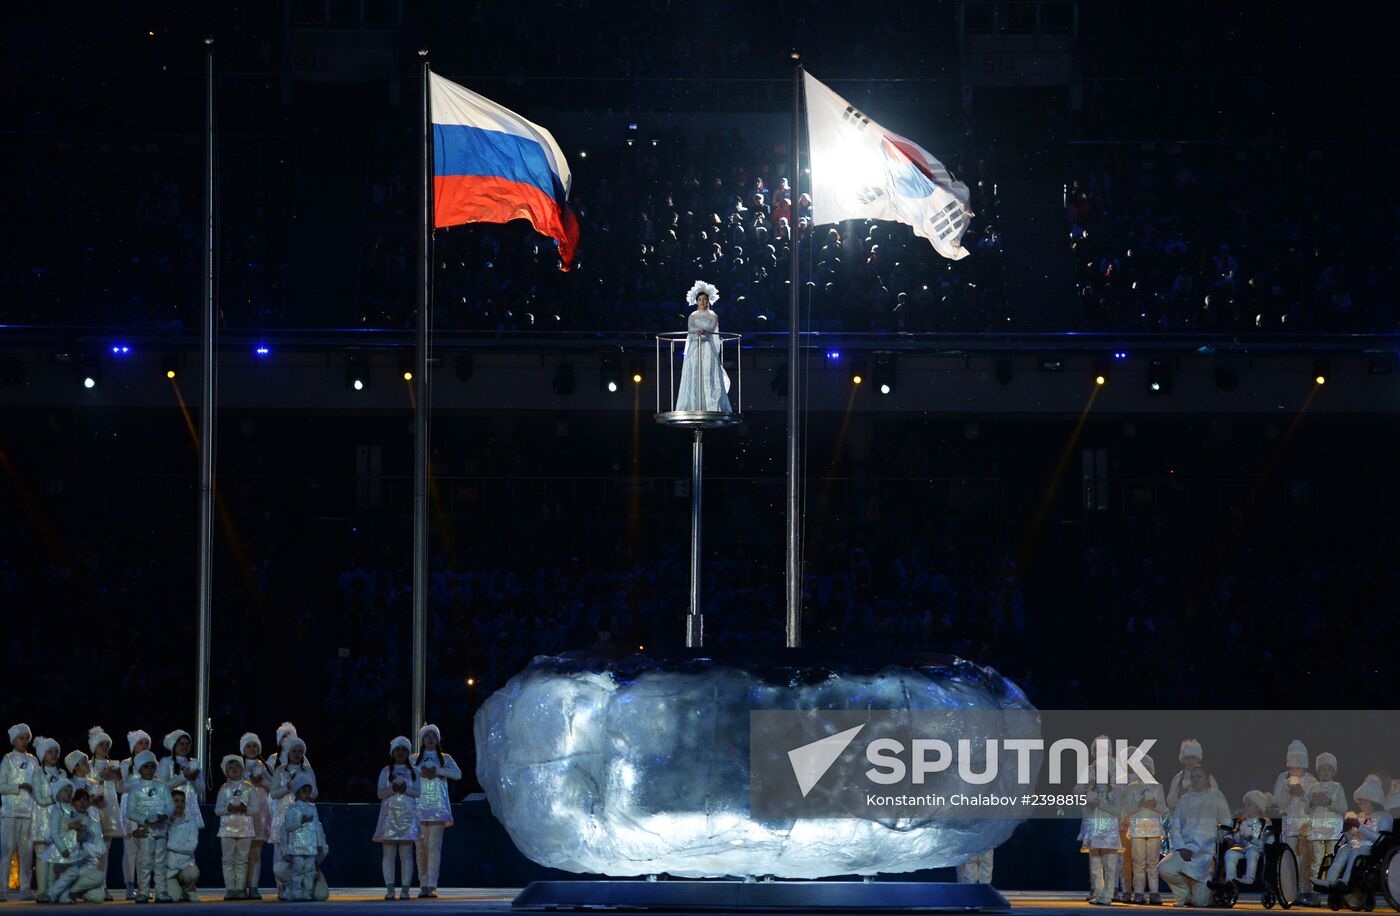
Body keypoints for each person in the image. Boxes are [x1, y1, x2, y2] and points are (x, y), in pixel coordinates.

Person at [1159, 765, 1232, 907]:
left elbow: (1226, 821)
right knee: (1164, 868)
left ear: (1207, 778)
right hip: (1187, 849)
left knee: (1200, 903)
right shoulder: (1185, 799)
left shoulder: (1216, 796)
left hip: (1207, 852)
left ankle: (1199, 892)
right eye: (1193, 777)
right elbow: (1175, 827)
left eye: (1199, 776)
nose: (1195, 779)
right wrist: (1180, 848)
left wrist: (1227, 838)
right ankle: (1183, 894)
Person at [1317, 776, 1394, 890]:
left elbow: (1381, 839)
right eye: (1360, 804)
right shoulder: (1361, 816)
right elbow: (1352, 839)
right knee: (1343, 850)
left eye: (1365, 803)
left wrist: (1360, 827)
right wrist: (1347, 830)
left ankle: (1346, 880)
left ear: (1374, 802)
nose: (1362, 806)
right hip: (1356, 845)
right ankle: (1330, 880)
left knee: (1355, 853)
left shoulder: (1384, 817)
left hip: (1371, 848)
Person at [412, 723, 461, 898]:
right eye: (427, 736)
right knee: (420, 848)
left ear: (438, 739)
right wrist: (421, 771)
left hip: (438, 807)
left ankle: (432, 884)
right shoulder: (414, 758)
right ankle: (423, 883)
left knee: (434, 847)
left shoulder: (445, 758)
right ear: (423, 739)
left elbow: (458, 774)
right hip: (418, 807)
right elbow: (406, 772)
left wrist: (438, 771)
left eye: (433, 736)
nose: (430, 739)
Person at [125, 748, 175, 904]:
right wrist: (144, 819)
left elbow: (170, 806)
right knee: (145, 862)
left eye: (152, 766)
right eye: (146, 766)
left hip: (161, 829)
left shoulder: (162, 786)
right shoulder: (135, 788)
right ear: (139, 768)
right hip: (146, 831)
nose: (149, 769)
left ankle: (161, 891)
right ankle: (144, 892)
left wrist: (164, 815)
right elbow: (130, 812)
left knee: (161, 862)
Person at [269, 736, 316, 900]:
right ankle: (281, 888)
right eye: (294, 751)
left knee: (302, 854)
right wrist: (288, 787)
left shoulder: (307, 770)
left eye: (300, 751)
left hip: (303, 813)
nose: (297, 754)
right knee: (280, 852)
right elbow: (273, 793)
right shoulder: (280, 770)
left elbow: (315, 792)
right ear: (288, 752)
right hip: (283, 813)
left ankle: (303, 887)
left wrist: (304, 790)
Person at [674, 280, 732, 413]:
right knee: (695, 372)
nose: (702, 302)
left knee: (708, 372)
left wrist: (704, 332)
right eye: (700, 299)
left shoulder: (713, 315)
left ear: (708, 301)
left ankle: (711, 406)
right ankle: (693, 405)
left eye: (705, 299)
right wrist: (697, 333)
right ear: (696, 301)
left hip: (707, 348)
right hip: (695, 347)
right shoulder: (692, 316)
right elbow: (691, 330)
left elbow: (711, 329)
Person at [375, 736, 422, 900]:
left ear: (408, 752)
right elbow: (380, 794)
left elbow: (418, 793)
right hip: (389, 817)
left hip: (407, 817)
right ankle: (389, 889)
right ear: (392, 752)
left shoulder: (414, 771)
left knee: (406, 854)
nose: (400, 753)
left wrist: (405, 789)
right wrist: (392, 789)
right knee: (388, 854)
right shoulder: (385, 771)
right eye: (398, 750)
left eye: (404, 750)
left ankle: (405, 889)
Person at [1270, 740, 1318, 895]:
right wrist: (1289, 794)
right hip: (1290, 823)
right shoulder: (1283, 780)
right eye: (1291, 768)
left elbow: (1315, 806)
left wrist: (1302, 795)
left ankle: (1305, 889)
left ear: (1303, 766)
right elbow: (1279, 804)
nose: (1294, 771)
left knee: (1305, 857)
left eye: (1297, 768)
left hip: (1306, 824)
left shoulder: (1311, 781)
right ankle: (1289, 890)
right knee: (1289, 856)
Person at [47, 785, 106, 904]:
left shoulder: (94, 824)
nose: (82, 803)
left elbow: (101, 850)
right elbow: (51, 836)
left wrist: (82, 844)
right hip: (67, 865)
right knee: (75, 874)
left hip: (86, 868)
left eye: (85, 800)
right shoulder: (66, 818)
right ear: (72, 802)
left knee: (99, 894)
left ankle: (67, 891)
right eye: (78, 799)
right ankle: (62, 891)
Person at [1079, 744, 1122, 907]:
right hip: (1094, 830)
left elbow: (1117, 811)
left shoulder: (1115, 790)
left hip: (1109, 831)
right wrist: (1089, 803)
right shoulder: (1091, 789)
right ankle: (1098, 892)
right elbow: (1086, 809)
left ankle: (1108, 894)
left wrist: (1100, 804)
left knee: (1109, 865)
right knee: (1095, 865)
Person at [0, 723, 39, 902]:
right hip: (10, 813)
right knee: (7, 851)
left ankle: (25, 888)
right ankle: (2, 889)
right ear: (13, 740)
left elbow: (39, 784)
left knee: (26, 852)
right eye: (21, 738)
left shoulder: (33, 760)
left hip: (28, 812)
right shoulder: (7, 760)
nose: (24, 741)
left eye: (26, 738)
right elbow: (1, 786)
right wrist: (19, 786)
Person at [1304, 753, 1346, 906]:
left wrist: (1328, 801)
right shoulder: (1313, 787)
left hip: (1333, 830)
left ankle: (1333, 894)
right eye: (1323, 769)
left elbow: (1343, 808)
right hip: (1317, 830)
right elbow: (1307, 810)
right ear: (1318, 771)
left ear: (1333, 771)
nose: (1326, 772)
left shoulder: (1337, 787)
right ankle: (1315, 895)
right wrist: (1313, 803)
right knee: (1316, 862)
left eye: (1329, 769)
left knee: (1333, 862)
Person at [1124, 753, 1166, 904]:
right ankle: (1139, 893)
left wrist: (1153, 805)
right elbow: (1128, 809)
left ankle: (1154, 892)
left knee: (1153, 862)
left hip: (1154, 828)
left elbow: (1163, 808)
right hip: (1137, 829)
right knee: (1138, 862)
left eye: (1147, 767)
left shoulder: (1157, 786)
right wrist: (1140, 803)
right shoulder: (1132, 788)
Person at [87, 726, 124, 897]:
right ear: (94, 747)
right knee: (92, 848)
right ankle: (90, 885)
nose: (104, 747)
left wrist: (118, 777)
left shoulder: (115, 765)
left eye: (106, 744)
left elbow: (121, 789)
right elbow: (86, 786)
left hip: (109, 809)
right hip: (93, 809)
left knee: (105, 850)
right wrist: (101, 776)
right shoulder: (87, 765)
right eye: (101, 744)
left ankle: (103, 885)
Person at [119, 728, 153, 899]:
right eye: (141, 742)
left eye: (147, 742)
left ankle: (144, 886)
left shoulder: (152, 764)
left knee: (145, 850)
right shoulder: (126, 764)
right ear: (133, 746)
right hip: (129, 806)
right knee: (130, 849)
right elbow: (121, 787)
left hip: (145, 806)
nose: (145, 745)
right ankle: (129, 885)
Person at [31, 736, 65, 901]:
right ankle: (42, 891)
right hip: (42, 819)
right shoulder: (37, 773)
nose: (53, 754)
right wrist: (54, 798)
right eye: (49, 752)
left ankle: (53, 890)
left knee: (55, 856)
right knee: (42, 856)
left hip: (58, 819)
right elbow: (39, 797)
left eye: (55, 752)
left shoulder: (62, 773)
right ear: (42, 754)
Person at [216, 755, 256, 899]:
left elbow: (255, 809)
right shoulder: (224, 788)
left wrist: (245, 809)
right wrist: (228, 809)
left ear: (243, 769)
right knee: (227, 859)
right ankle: (230, 889)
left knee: (242, 859)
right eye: (230, 768)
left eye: (237, 767)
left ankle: (240, 888)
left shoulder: (249, 787)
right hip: (227, 830)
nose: (234, 770)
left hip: (245, 829)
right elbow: (217, 809)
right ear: (226, 772)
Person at [278, 773, 322, 902]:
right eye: (304, 791)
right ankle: (296, 893)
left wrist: (320, 844)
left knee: (309, 871)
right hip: (297, 847)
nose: (307, 794)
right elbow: (288, 827)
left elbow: (317, 827)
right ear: (297, 793)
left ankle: (307, 892)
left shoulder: (313, 808)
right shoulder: (292, 808)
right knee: (298, 871)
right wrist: (300, 821)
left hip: (311, 846)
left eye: (309, 791)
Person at [240, 732, 272, 899]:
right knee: (242, 853)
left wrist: (261, 782)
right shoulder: (239, 766)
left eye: (255, 746)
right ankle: (240, 886)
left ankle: (253, 886)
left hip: (261, 814)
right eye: (248, 746)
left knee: (256, 852)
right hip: (244, 814)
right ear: (243, 750)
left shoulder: (265, 766)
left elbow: (274, 787)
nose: (252, 749)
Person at [1222, 790, 1272, 886]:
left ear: (1258, 808)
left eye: (1249, 805)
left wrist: (1250, 838)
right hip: (1241, 847)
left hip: (1255, 849)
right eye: (1245, 804)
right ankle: (1230, 880)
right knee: (1230, 853)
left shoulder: (1264, 822)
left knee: (1252, 854)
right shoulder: (1241, 820)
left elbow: (1264, 844)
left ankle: (1249, 879)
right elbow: (1236, 835)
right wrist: (1232, 839)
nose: (1245, 807)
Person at [163, 786, 201, 902]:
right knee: (174, 898)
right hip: (170, 869)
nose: (180, 804)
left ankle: (189, 889)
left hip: (186, 865)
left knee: (193, 873)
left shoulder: (191, 822)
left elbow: (191, 847)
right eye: (176, 800)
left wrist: (169, 844)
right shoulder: (164, 823)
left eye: (182, 801)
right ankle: (177, 888)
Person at [1165, 739, 1218, 808]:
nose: (1190, 761)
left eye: (1193, 757)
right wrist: (1179, 795)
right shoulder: (1178, 778)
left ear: (1198, 759)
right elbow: (1170, 803)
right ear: (1183, 760)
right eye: (1187, 758)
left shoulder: (1207, 776)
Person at [157, 729, 206, 797]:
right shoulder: (165, 761)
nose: (185, 747)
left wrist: (194, 779)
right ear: (173, 745)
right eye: (181, 744)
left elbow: (201, 791)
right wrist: (183, 777)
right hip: (172, 805)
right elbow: (160, 788)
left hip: (192, 806)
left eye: (188, 744)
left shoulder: (194, 762)